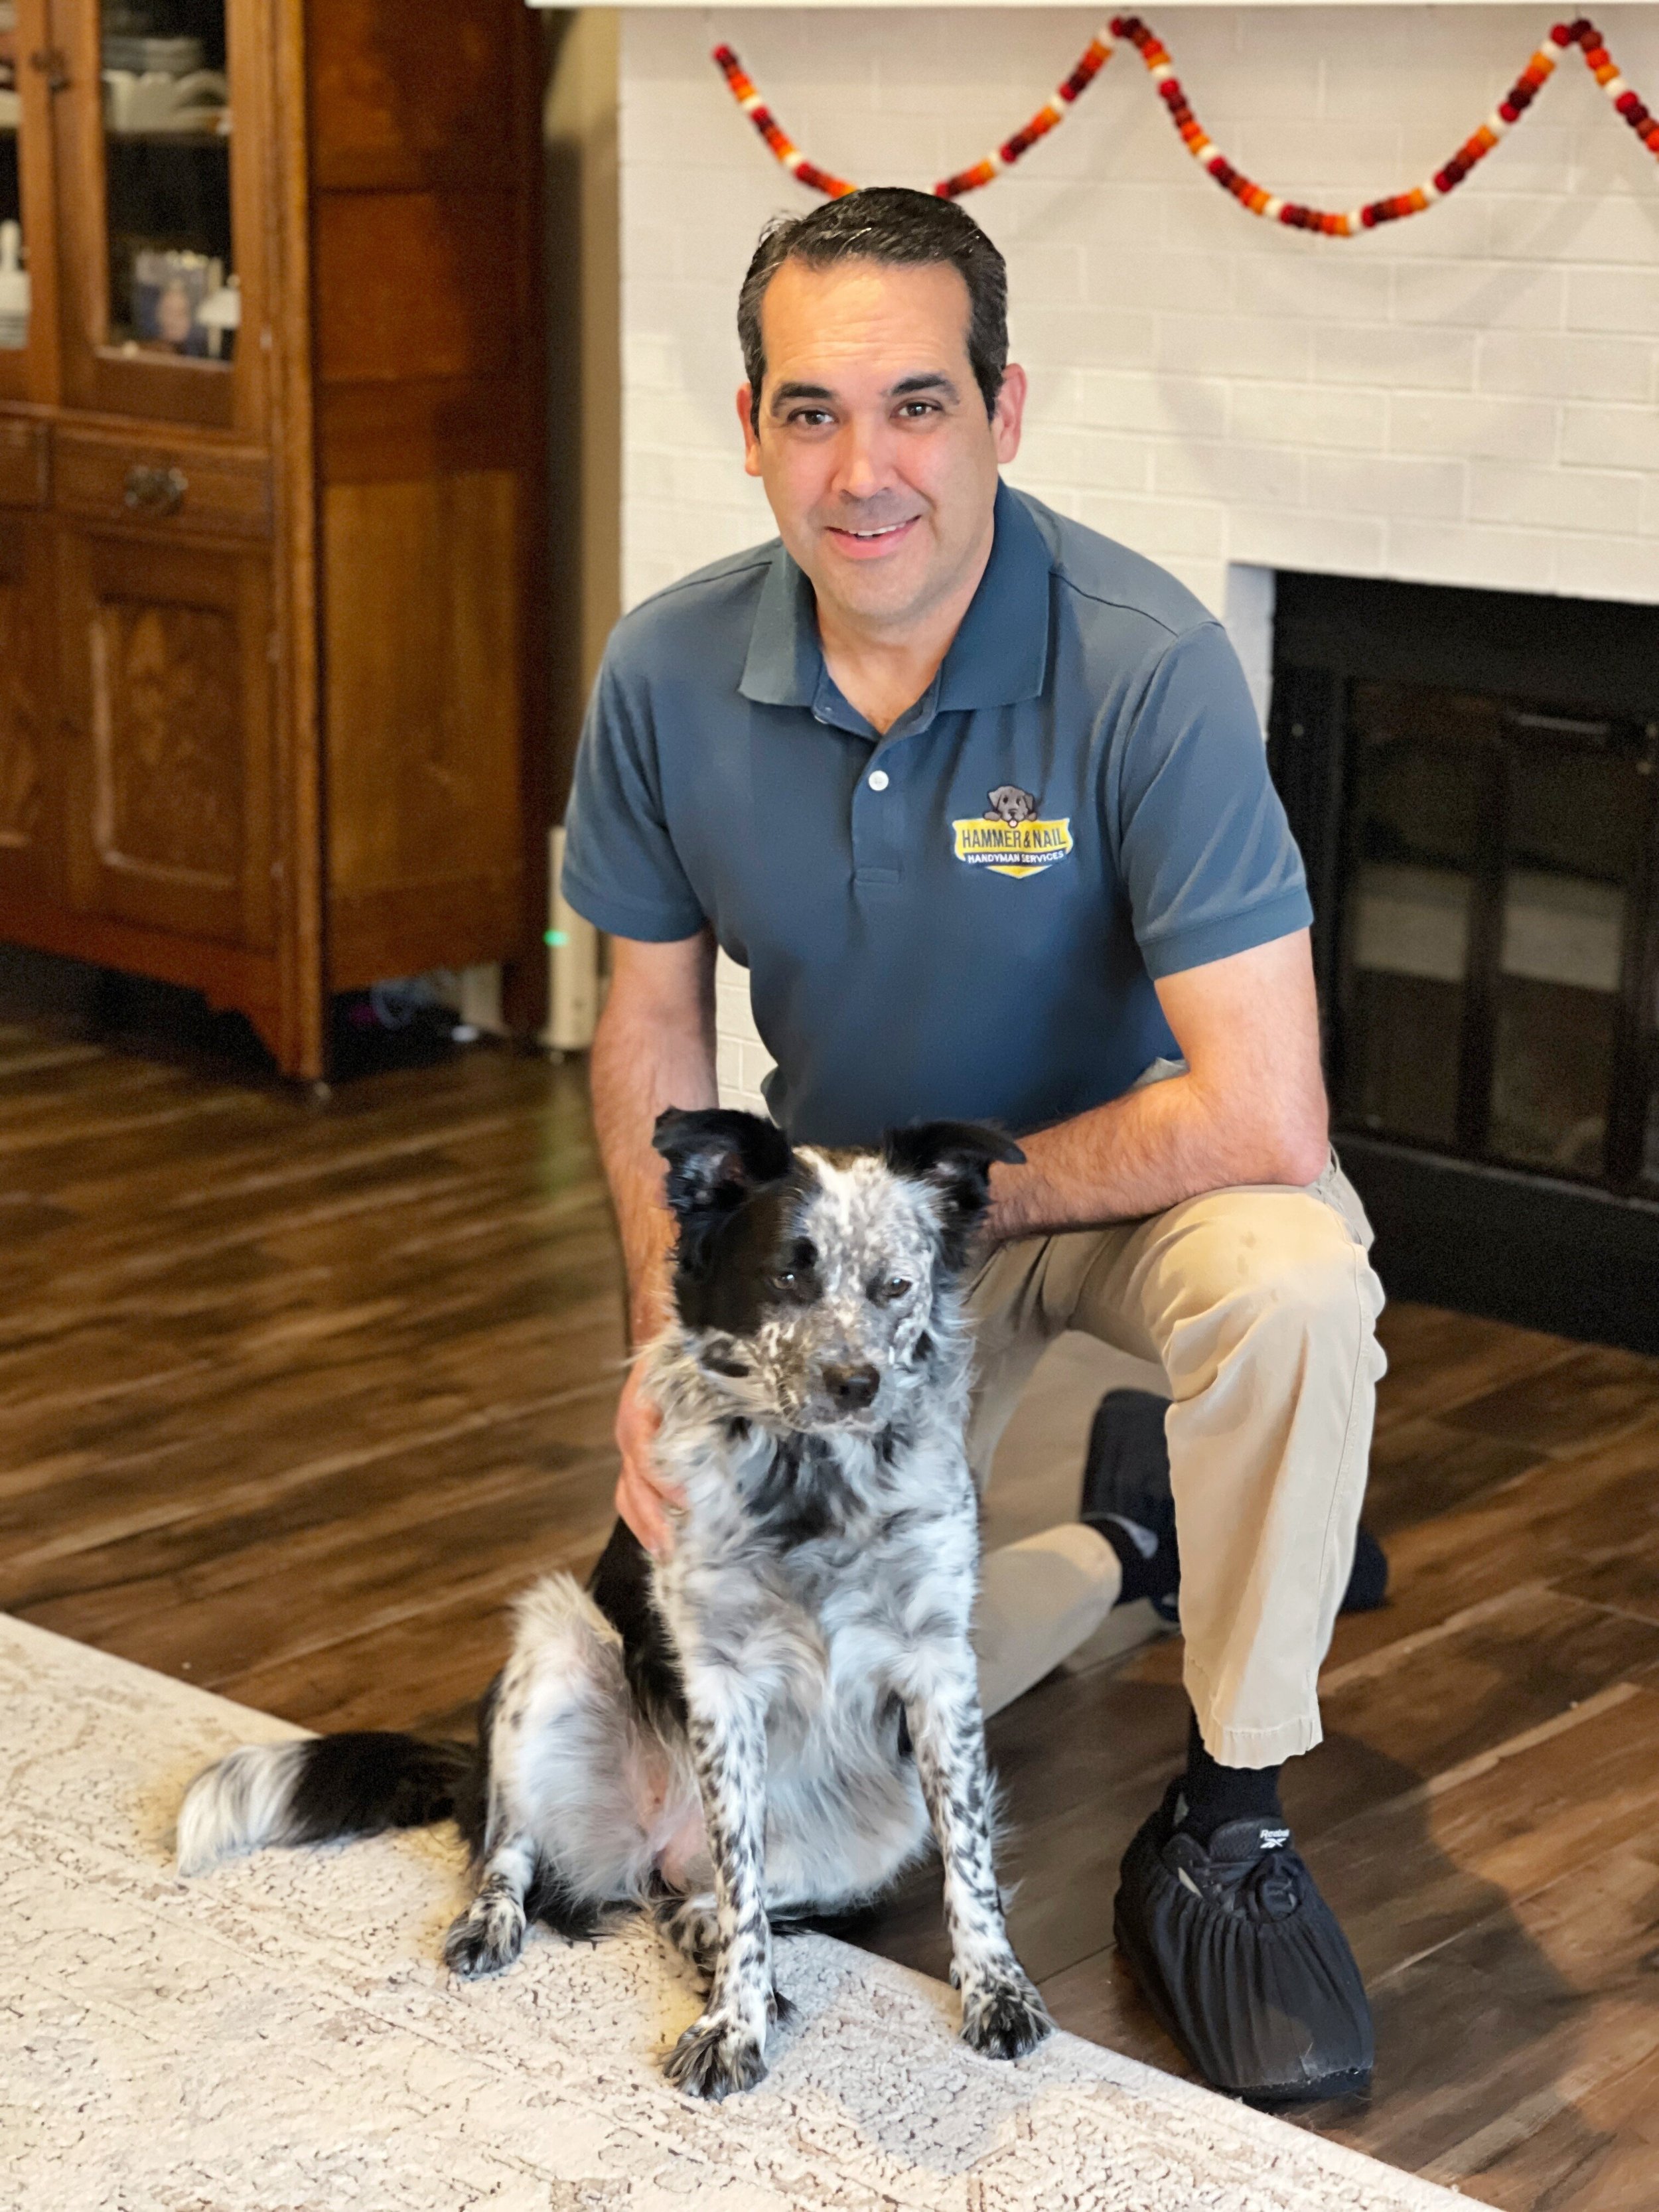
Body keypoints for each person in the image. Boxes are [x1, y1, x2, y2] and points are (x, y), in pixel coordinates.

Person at [559, 185, 1387, 2104]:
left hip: (1130, 1179)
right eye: (812, 411)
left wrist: (952, 1210)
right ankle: (1126, 1541)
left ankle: (1233, 1820)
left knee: (1295, 1284)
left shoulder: (1147, 662)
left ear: (1004, 412)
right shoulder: (665, 671)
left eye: (917, 405)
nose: (864, 471)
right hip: (852, 1243)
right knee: (727, 1790)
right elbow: (649, 1026)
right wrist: (673, 1343)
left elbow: (1267, 1109)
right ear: (751, 425)